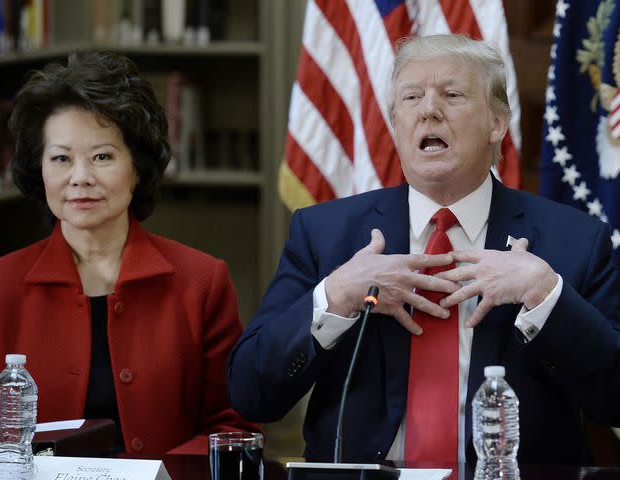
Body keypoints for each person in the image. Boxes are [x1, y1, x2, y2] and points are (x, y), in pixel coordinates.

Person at [228, 34, 620, 465]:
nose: (428, 110)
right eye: (411, 97)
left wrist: (546, 296)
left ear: (497, 123)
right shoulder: (327, 234)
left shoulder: (574, 241)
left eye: (452, 95)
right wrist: (335, 296)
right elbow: (252, 394)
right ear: (396, 125)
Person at [0, 51, 257, 455]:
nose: (80, 178)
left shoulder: (201, 281)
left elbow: (232, 426)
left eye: (102, 157)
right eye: (61, 159)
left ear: (138, 167)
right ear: (38, 168)